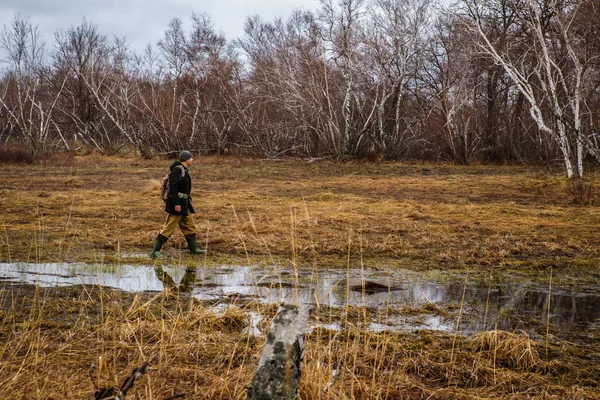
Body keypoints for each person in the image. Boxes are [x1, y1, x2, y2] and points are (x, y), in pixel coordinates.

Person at [151, 150, 205, 258]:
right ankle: (155, 251)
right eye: (191, 157)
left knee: (189, 226)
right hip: (177, 205)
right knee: (169, 227)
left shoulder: (184, 169)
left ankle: (193, 249)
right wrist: (176, 204)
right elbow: (173, 189)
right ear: (186, 159)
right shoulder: (177, 170)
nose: (192, 159)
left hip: (184, 204)